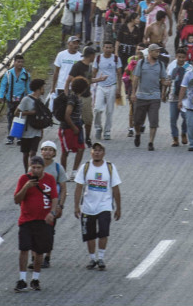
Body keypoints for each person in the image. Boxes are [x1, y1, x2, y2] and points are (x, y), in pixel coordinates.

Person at [73, 143, 122, 271]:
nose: (97, 152)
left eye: (100, 150)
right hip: (88, 207)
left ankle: (101, 258)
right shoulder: (85, 167)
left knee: (103, 232)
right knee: (89, 234)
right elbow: (78, 188)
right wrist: (76, 206)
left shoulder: (110, 168)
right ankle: (92, 258)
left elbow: (116, 188)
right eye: (95, 150)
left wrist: (118, 208)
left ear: (104, 153)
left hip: (104, 206)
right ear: (91, 152)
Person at [13, 157, 58, 293]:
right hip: (26, 220)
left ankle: (35, 279)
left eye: (39, 168)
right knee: (24, 249)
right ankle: (22, 279)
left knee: (39, 251)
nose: (36, 170)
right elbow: (16, 199)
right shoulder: (23, 179)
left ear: (43, 168)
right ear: (30, 167)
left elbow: (55, 197)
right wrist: (26, 186)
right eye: (34, 168)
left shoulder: (50, 179)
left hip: (43, 221)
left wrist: (52, 212)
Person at [31, 141, 70, 271]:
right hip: (36, 205)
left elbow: (64, 189)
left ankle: (46, 257)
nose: (47, 152)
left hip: (51, 205)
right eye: (45, 149)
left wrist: (60, 205)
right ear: (41, 151)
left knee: (48, 232)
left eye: (50, 150)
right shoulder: (34, 167)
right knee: (33, 231)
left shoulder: (58, 168)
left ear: (54, 153)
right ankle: (34, 258)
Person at [131, 43, 171, 151]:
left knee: (154, 121)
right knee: (137, 120)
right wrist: (133, 93)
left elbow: (163, 79)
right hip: (141, 96)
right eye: (156, 51)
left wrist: (165, 86)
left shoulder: (161, 65)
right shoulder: (141, 63)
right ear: (150, 52)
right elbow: (135, 78)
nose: (158, 53)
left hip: (154, 97)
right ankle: (138, 134)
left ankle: (150, 142)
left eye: (159, 51)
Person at [91, 41, 122, 141]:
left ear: (113, 49)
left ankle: (107, 131)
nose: (108, 49)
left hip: (112, 86)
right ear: (103, 48)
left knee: (109, 110)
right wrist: (91, 86)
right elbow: (93, 72)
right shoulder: (98, 58)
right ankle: (98, 127)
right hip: (100, 86)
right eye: (106, 47)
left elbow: (119, 74)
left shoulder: (116, 59)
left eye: (110, 47)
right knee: (97, 109)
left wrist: (119, 88)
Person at [14, 79, 47, 172]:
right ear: (38, 89)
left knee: (33, 152)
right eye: (42, 88)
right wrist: (30, 113)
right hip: (26, 131)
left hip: (36, 131)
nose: (43, 89)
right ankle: (26, 171)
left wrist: (42, 130)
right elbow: (16, 113)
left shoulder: (41, 100)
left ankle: (31, 171)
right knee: (25, 153)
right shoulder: (26, 100)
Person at [58, 76, 88, 177]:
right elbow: (67, 115)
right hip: (68, 128)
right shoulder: (72, 98)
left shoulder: (77, 97)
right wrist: (74, 128)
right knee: (65, 151)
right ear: (82, 88)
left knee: (81, 148)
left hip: (77, 126)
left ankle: (74, 172)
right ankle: (63, 173)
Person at [0, 55, 30, 144]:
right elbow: (3, 85)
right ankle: (10, 137)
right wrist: (0, 96)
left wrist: (31, 98)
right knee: (10, 118)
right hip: (10, 100)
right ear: (14, 62)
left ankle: (19, 137)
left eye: (22, 62)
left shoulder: (26, 74)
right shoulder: (8, 74)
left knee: (20, 118)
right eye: (18, 61)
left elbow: (28, 88)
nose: (20, 64)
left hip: (21, 101)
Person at [167, 48, 191, 147]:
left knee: (186, 117)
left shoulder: (189, 68)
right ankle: (175, 138)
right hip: (173, 97)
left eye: (183, 57)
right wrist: (164, 93)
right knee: (173, 118)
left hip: (185, 97)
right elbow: (167, 80)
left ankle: (184, 132)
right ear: (176, 56)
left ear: (186, 58)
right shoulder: (171, 66)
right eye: (179, 57)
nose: (181, 59)